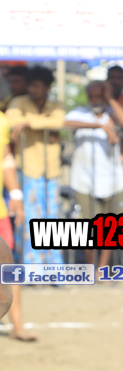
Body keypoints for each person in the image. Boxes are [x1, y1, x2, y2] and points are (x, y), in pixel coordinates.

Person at [65, 81, 123, 269]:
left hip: (113, 180)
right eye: (92, 96)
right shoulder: (80, 113)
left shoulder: (113, 113)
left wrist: (110, 99)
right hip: (84, 179)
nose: (95, 100)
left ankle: (102, 269)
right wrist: (100, 126)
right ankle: (90, 267)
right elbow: (64, 122)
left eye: (99, 96)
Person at [6, 66, 65, 266]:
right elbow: (12, 120)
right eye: (29, 85)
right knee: (31, 221)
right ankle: (34, 269)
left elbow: (58, 122)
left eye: (36, 85)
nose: (31, 89)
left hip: (52, 170)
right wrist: (42, 123)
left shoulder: (56, 105)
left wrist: (28, 124)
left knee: (53, 220)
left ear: (46, 87)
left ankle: (54, 268)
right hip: (28, 169)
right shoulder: (18, 102)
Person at [0, 115, 31, 341]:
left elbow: (5, 158)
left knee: (8, 265)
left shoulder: (0, 121)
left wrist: (16, 194)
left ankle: (18, 326)